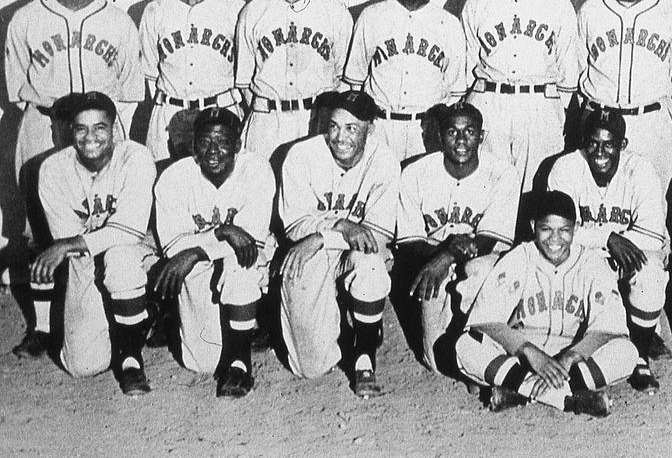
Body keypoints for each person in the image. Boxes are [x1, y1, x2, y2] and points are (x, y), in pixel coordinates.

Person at [454, 191, 639, 417]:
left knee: (626, 353)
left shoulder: (592, 263)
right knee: (466, 346)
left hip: (574, 356)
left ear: (575, 228)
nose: (555, 239)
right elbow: (486, 320)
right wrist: (529, 351)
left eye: (564, 230)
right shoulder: (520, 257)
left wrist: (571, 357)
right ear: (533, 226)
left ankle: (521, 390)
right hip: (521, 355)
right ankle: (569, 399)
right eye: (546, 229)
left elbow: (609, 328)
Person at [26, 92, 157, 395]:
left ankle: (131, 358)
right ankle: (133, 316)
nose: (90, 137)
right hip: (84, 256)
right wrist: (68, 247)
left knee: (120, 262)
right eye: (81, 128)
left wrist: (68, 245)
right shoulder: (53, 170)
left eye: (100, 127)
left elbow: (129, 232)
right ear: (70, 131)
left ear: (115, 129)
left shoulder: (135, 157)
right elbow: (69, 248)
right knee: (82, 365)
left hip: (137, 251)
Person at [277, 90, 399, 397]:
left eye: (351, 128)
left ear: (369, 129)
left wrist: (323, 235)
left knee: (370, 265)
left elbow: (376, 236)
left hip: (349, 251)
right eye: (333, 126)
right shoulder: (301, 156)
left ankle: (364, 354)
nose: (339, 137)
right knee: (309, 367)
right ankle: (347, 319)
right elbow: (294, 227)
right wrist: (341, 226)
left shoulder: (384, 161)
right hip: (312, 252)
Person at [152, 108, 275, 397]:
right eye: (205, 142)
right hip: (196, 268)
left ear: (237, 145)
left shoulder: (256, 170)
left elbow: (249, 241)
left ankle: (239, 364)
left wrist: (196, 250)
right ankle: (175, 317)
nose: (213, 151)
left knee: (240, 263)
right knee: (201, 362)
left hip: (242, 261)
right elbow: (172, 248)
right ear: (194, 146)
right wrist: (220, 232)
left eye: (222, 142)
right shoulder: (173, 179)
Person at [547, 110, 670, 392]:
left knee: (650, 271)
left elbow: (652, 237)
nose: (600, 152)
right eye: (592, 143)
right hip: (586, 258)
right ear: (583, 143)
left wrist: (610, 245)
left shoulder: (641, 170)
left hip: (628, 255)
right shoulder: (565, 168)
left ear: (623, 145)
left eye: (609, 144)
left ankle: (638, 354)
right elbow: (557, 231)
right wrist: (608, 239)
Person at [4, 0, 143, 175]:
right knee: (39, 208)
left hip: (99, 131)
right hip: (44, 127)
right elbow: (16, 88)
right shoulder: (25, 18)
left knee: (104, 207)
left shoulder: (118, 20)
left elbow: (130, 90)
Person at [395, 102, 518, 372]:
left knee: (478, 269)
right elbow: (408, 242)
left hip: (482, 263)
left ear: (482, 137)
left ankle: (487, 356)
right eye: (452, 132)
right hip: (431, 262)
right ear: (440, 136)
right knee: (436, 362)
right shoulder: (414, 173)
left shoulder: (504, 174)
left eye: (470, 132)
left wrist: (448, 256)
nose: (461, 140)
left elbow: (487, 239)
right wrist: (443, 257)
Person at [461, 0, 583, 191]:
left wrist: (550, 109)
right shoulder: (477, 4)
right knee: (488, 188)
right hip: (490, 103)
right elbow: (468, 68)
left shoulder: (557, 3)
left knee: (538, 190)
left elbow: (568, 74)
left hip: (539, 105)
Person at [576, 0, 672, 186]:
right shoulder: (590, 10)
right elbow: (578, 72)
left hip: (651, 125)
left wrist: (652, 113)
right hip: (600, 122)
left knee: (657, 203)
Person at [343, 0, 468, 161]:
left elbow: (455, 90)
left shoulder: (448, 24)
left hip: (425, 131)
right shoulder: (371, 16)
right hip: (380, 127)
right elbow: (355, 82)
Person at [235, 0, 353, 160]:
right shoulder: (253, 11)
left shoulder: (335, 12)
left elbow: (343, 79)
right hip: (267, 122)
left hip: (315, 121)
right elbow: (244, 83)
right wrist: (267, 107)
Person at [140, 0, 245, 162]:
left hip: (220, 113)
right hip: (169, 114)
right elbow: (148, 74)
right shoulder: (155, 10)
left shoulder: (235, 10)